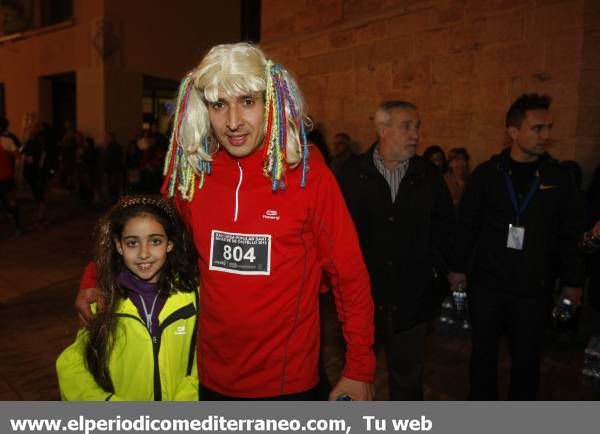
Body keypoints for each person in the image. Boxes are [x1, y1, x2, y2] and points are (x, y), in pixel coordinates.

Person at [76, 42, 375, 400]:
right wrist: (96, 274)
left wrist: (359, 367)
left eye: (247, 101)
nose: (233, 122)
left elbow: (349, 276)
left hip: (288, 384)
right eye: (219, 104)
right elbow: (145, 228)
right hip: (207, 378)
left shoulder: (307, 174)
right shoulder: (194, 174)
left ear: (270, 103)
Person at [448, 93, 587, 400]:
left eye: (549, 127)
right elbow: (467, 226)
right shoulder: (487, 174)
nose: (546, 135)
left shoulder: (559, 178)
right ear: (513, 131)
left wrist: (573, 282)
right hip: (487, 287)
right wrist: (458, 270)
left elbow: (569, 234)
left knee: (526, 363)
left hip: (533, 290)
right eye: (537, 128)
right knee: (483, 357)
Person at [338, 100, 455, 400]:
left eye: (417, 127)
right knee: (356, 378)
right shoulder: (350, 175)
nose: (415, 135)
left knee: (408, 381)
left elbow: (446, 228)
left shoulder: (429, 176)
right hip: (361, 299)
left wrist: (435, 271)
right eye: (407, 127)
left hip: (412, 300)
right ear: (382, 128)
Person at [57, 196, 199, 400]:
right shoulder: (105, 301)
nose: (144, 253)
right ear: (118, 245)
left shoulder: (192, 297)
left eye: (155, 241)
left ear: (170, 243)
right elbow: (73, 366)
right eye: (132, 243)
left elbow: (202, 361)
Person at [0, 115, 22, 235]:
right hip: (7, 177)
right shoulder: (8, 141)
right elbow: (18, 156)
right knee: (12, 201)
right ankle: (17, 227)